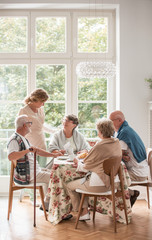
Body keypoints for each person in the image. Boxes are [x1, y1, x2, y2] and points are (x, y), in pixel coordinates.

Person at [66, 118, 122, 221]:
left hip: (99, 185)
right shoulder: (116, 142)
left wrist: (77, 161)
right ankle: (84, 212)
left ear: (100, 131)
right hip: (114, 183)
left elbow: (86, 166)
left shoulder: (100, 145)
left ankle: (81, 212)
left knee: (69, 185)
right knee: (83, 182)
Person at [7, 115, 62, 210]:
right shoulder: (14, 139)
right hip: (29, 175)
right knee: (57, 178)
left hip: (35, 171)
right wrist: (27, 150)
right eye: (30, 123)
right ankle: (53, 207)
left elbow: (37, 150)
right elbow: (11, 156)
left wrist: (53, 155)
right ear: (25, 125)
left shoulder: (23, 138)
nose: (31, 126)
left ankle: (47, 203)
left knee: (56, 174)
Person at [109, 110, 149, 206]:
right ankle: (124, 203)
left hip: (137, 173)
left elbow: (116, 156)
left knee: (108, 179)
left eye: (111, 121)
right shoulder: (125, 130)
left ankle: (129, 197)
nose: (110, 124)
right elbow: (120, 154)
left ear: (119, 120)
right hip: (139, 170)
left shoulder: (124, 133)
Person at [18, 88, 55, 168]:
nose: (43, 105)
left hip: (41, 142)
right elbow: (19, 128)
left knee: (42, 169)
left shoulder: (41, 110)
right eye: (42, 102)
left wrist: (53, 131)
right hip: (30, 144)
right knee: (33, 171)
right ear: (35, 100)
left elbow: (41, 126)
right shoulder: (24, 110)